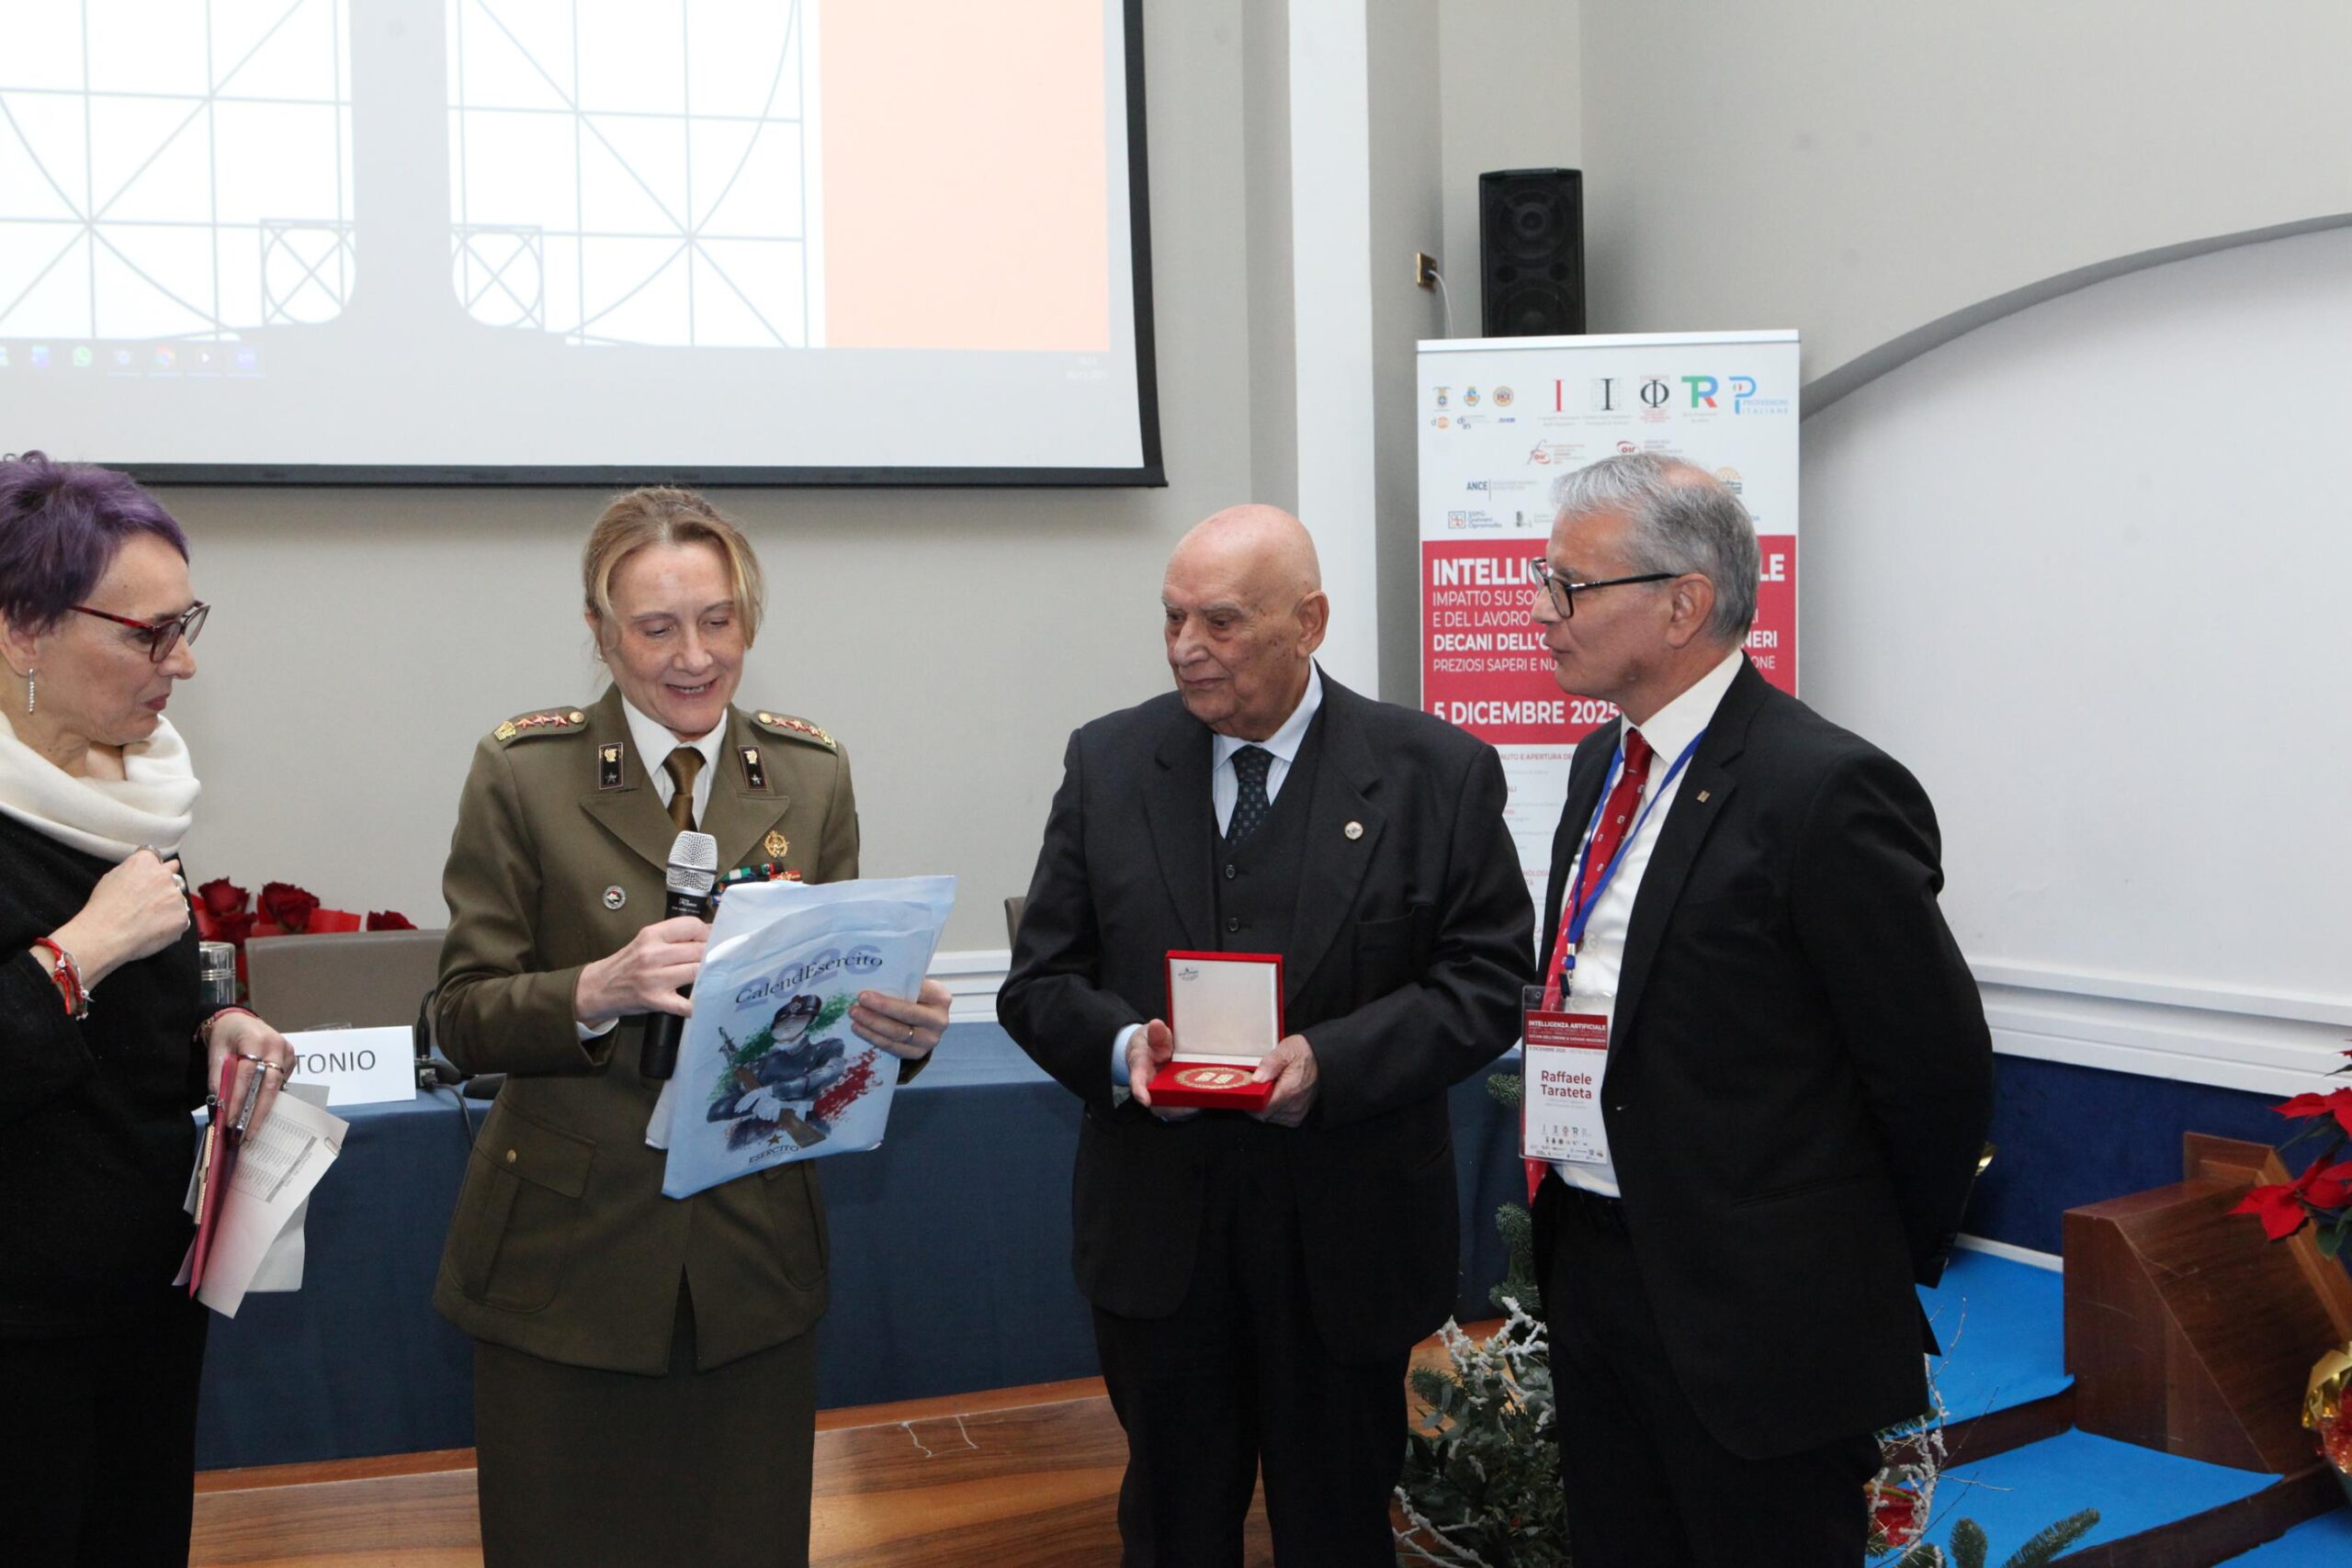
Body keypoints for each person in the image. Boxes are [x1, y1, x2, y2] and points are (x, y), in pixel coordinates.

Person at [999, 504, 1533, 1563]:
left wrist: (1332, 1063)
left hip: (1346, 1245)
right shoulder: (1109, 762)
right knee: (1170, 1531)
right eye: (1172, 618)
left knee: (1338, 1533)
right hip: (1160, 1245)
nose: (1186, 647)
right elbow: (1040, 981)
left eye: (1222, 621)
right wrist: (1123, 1051)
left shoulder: (1435, 772)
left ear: (1310, 622)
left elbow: (1486, 980)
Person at [431, 487, 952, 1568]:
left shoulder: (809, 774)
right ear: (600, 633)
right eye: (656, 627)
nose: (694, 656)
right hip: (568, 1258)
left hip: (749, 1259)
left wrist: (895, 1029)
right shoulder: (524, 773)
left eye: (718, 621)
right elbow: (460, 1017)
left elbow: (825, 1016)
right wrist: (594, 990)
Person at [1525, 453, 1993, 1564]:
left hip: (1762, 1320)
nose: (1542, 613)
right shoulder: (1600, 764)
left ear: (1682, 604)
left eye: (1569, 587)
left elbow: (1934, 1072)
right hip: (1595, 1265)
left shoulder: (1821, 788)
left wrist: (1827, 1269)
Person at [0, 450, 298, 1566]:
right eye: (148, 634)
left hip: (139, 1307)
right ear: (22, 632)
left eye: (187, 625)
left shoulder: (131, 791)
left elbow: (122, 1033)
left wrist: (209, 1036)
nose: (182, 663)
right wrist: (77, 953)